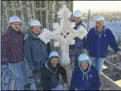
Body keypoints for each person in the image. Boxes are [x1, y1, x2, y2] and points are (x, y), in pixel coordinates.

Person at [1, 16, 29, 90]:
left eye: (18, 24)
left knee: (24, 74)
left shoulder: (20, 34)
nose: (17, 26)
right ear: (10, 25)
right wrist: (4, 63)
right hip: (13, 62)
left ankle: (26, 86)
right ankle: (20, 89)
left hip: (22, 59)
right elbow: (3, 50)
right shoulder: (5, 36)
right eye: (15, 24)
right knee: (18, 77)